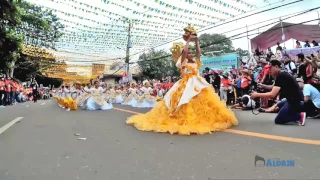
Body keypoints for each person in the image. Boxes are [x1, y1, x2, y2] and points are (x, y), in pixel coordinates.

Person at [126, 26, 238, 135]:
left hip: (198, 83)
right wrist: (188, 41)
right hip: (186, 84)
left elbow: (198, 53)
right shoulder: (183, 63)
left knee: (203, 103)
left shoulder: (195, 62)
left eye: (191, 52)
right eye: (189, 52)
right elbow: (184, 53)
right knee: (185, 101)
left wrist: (197, 41)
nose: (191, 53)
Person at [251, 60, 306, 125]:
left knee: (278, 120)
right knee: (280, 103)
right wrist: (263, 86)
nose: (269, 71)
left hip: (295, 101)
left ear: (276, 67)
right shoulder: (282, 74)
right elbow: (274, 87)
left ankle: (299, 116)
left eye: (270, 68)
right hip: (293, 99)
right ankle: (293, 112)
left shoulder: (281, 76)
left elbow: (272, 95)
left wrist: (256, 94)